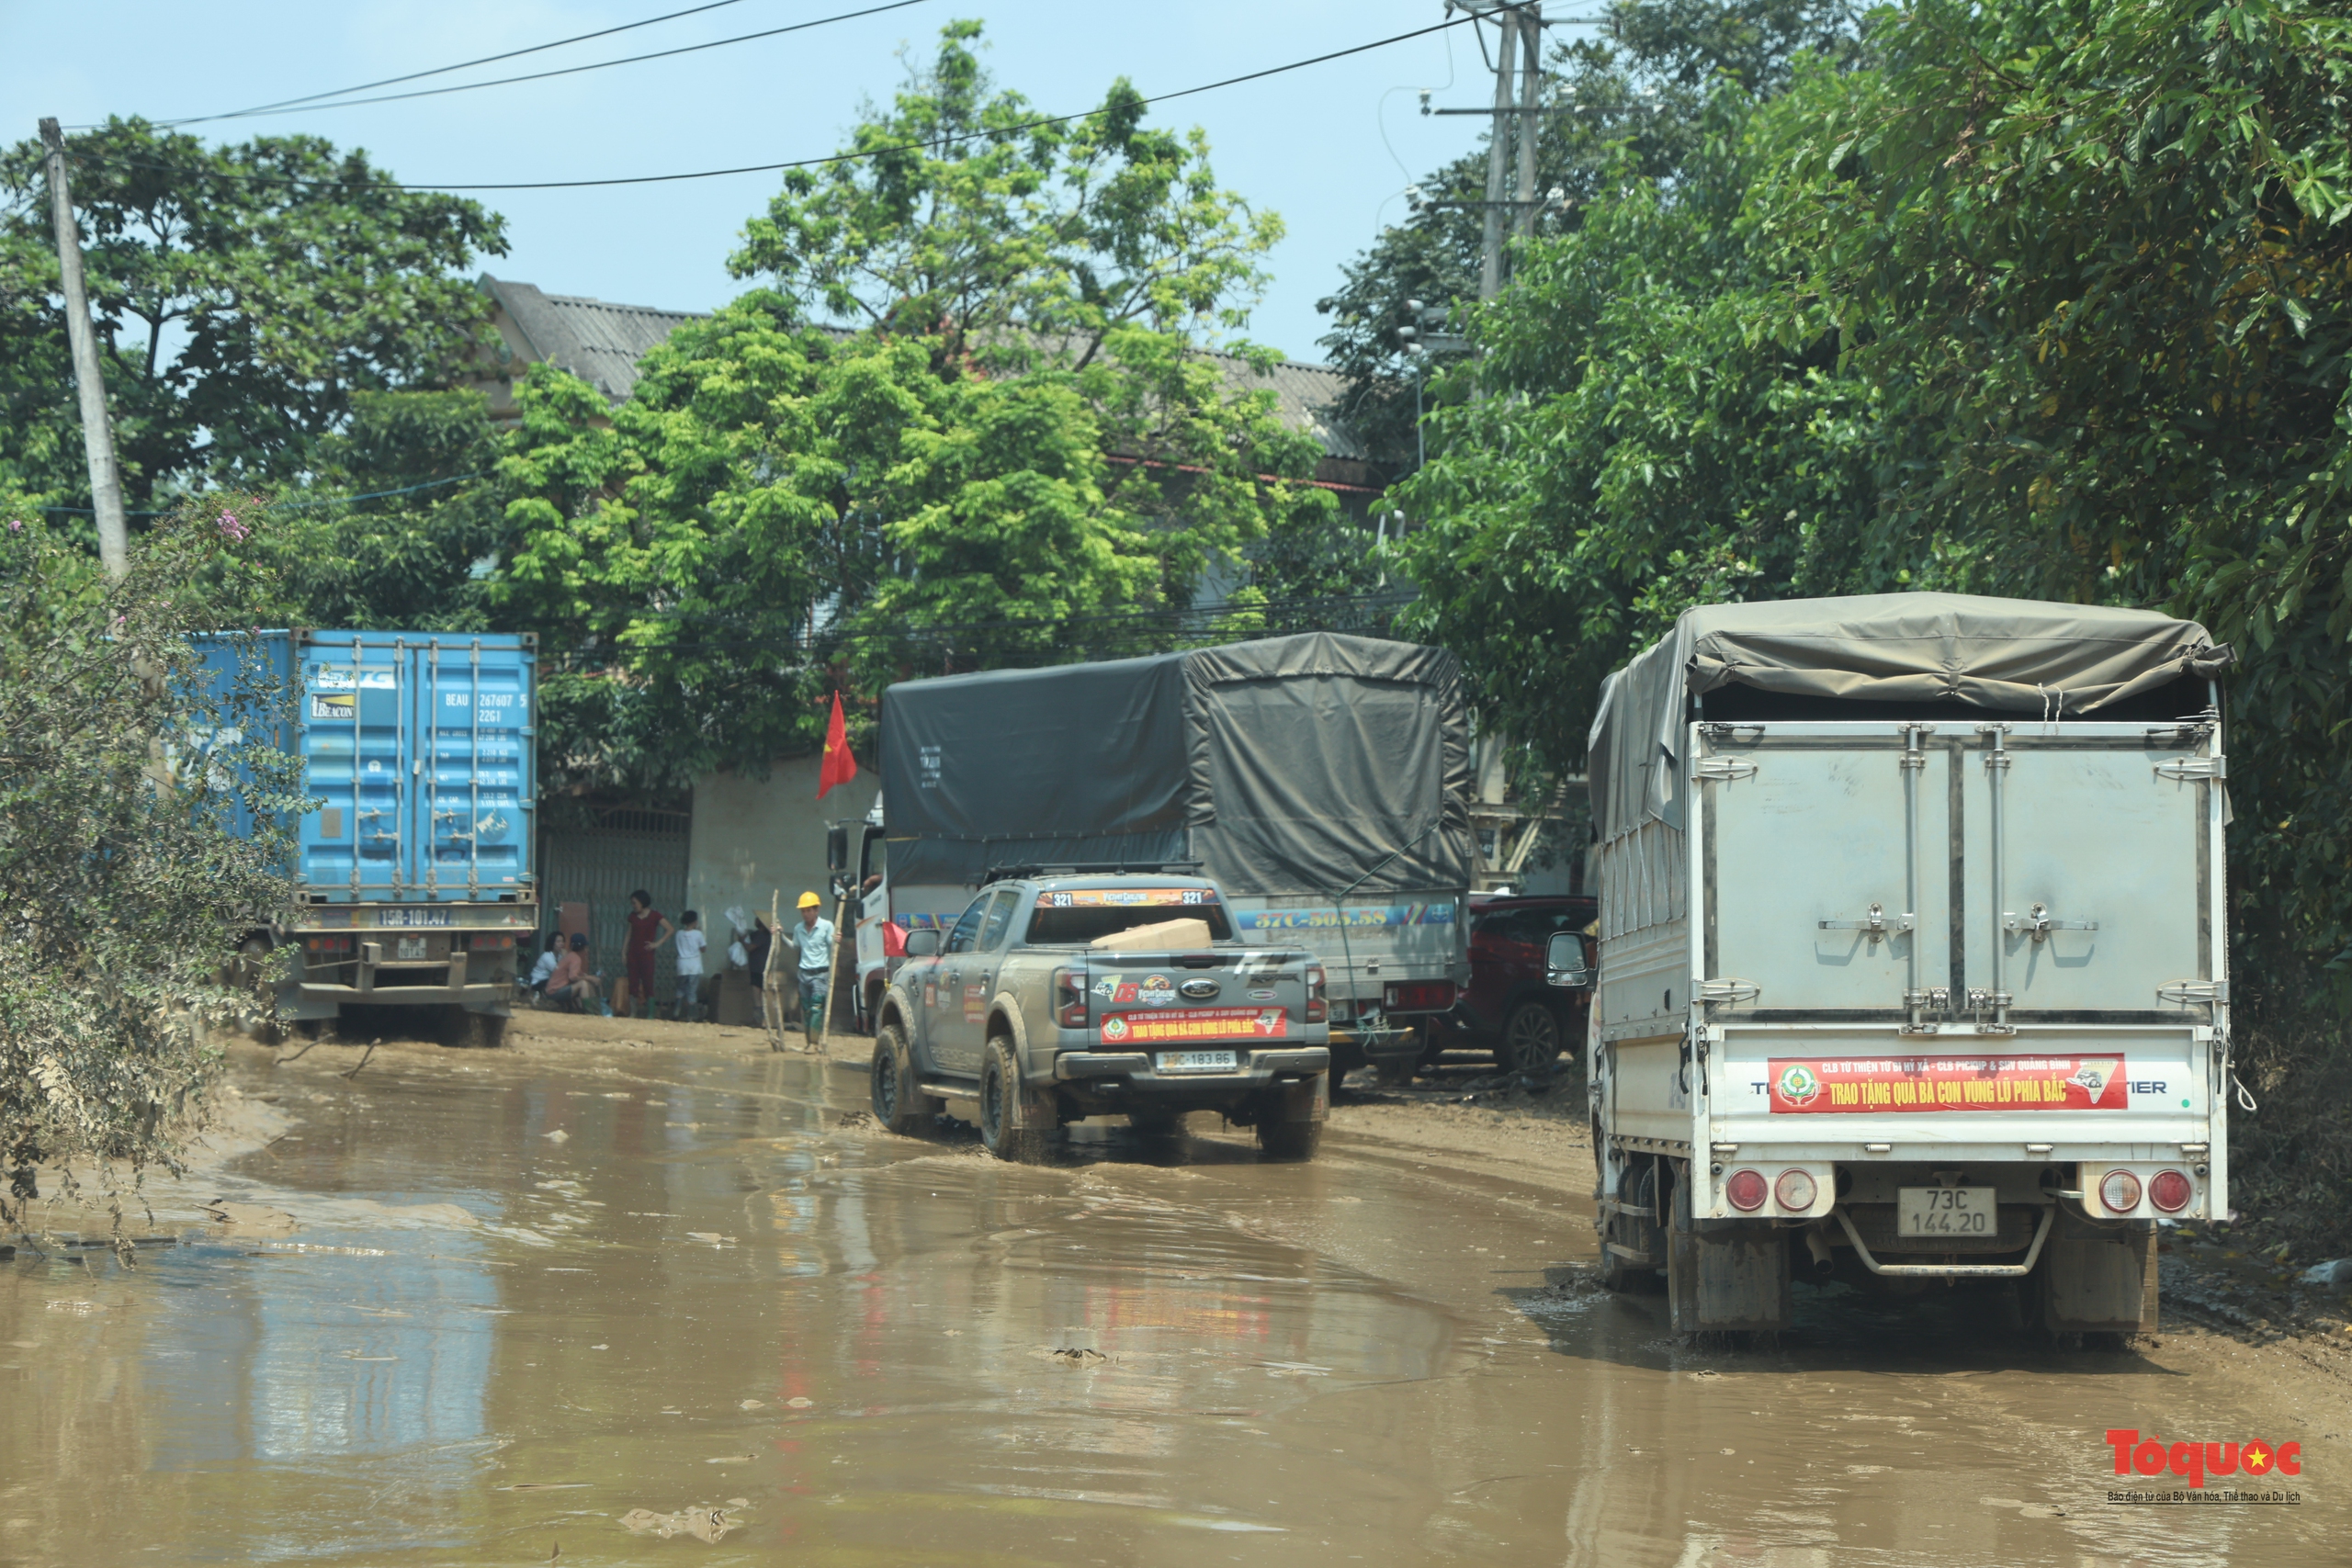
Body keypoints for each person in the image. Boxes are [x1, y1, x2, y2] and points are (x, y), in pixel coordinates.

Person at [789, 891, 836, 1051]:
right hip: (804, 974)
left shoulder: (827, 926)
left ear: (816, 911)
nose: (806, 914)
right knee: (806, 1009)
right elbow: (795, 946)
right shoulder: (798, 929)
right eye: (803, 911)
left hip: (821, 974)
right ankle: (809, 1041)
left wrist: (837, 940)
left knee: (816, 1008)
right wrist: (779, 935)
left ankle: (814, 1043)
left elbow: (833, 945)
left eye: (809, 910)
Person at [624, 890, 673, 1020]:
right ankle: (633, 1012)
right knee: (633, 983)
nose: (633, 906)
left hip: (647, 955)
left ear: (642, 902)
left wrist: (657, 943)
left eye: (635, 903)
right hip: (633, 954)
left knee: (648, 983)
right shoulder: (632, 917)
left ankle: (650, 1013)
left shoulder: (655, 916)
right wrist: (624, 952)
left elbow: (670, 929)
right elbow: (629, 935)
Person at [545, 932, 607, 1014]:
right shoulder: (576, 958)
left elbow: (580, 974)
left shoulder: (571, 955)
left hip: (555, 990)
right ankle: (590, 1012)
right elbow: (573, 977)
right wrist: (590, 978)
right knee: (583, 984)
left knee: (587, 983)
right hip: (555, 992)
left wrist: (594, 977)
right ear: (583, 947)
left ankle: (595, 1011)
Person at [672, 909, 707, 1022]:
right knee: (692, 990)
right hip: (694, 966)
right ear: (695, 922)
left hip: (682, 965)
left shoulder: (679, 933)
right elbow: (703, 949)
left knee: (681, 988)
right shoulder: (698, 934)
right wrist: (699, 933)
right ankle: (691, 1016)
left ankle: (676, 1011)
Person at [743, 915, 775, 1028]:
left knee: (757, 995)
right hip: (759, 968)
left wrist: (742, 940)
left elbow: (750, 948)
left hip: (759, 969)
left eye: (757, 919)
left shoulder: (762, 935)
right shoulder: (761, 935)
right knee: (760, 995)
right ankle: (761, 1020)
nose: (755, 920)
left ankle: (759, 1020)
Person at [526, 931, 562, 998]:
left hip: (548, 981)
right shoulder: (547, 956)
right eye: (558, 942)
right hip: (538, 983)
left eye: (562, 941)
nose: (561, 944)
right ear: (552, 943)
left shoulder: (560, 956)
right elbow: (558, 972)